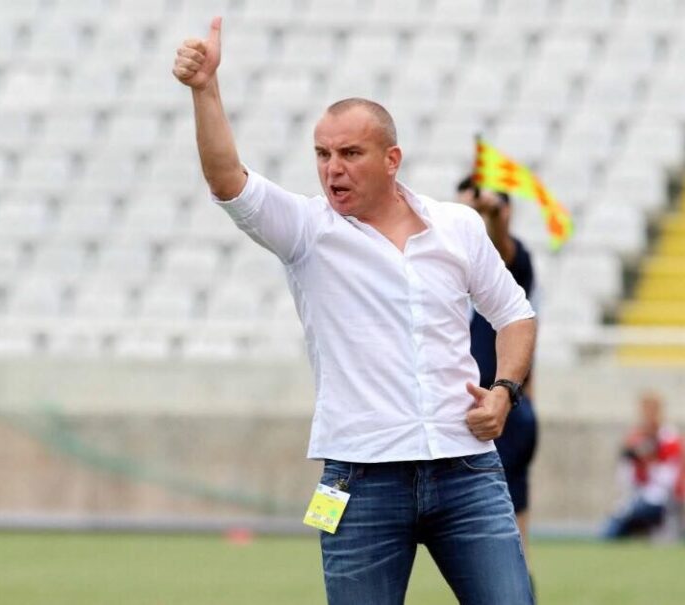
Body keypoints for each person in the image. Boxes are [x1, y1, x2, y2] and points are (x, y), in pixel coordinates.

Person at [173, 17, 538, 604]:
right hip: (360, 479)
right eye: (322, 154)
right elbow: (226, 180)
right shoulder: (306, 230)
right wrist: (205, 89)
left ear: (392, 158)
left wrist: (505, 392)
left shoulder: (458, 226)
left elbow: (515, 314)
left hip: (466, 469)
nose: (332, 168)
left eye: (349, 153)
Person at [456, 178, 539, 554]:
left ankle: (517, 580)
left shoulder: (510, 266)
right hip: (461, 409)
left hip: (502, 405)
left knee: (507, 523)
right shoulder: (446, 265)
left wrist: (492, 217)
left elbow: (500, 251)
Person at [603, 391, 685, 541]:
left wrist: (649, 463)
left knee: (646, 510)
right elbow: (625, 474)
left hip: (661, 499)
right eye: (645, 410)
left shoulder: (669, 438)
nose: (648, 415)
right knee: (611, 531)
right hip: (637, 497)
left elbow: (669, 479)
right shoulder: (636, 438)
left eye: (652, 410)